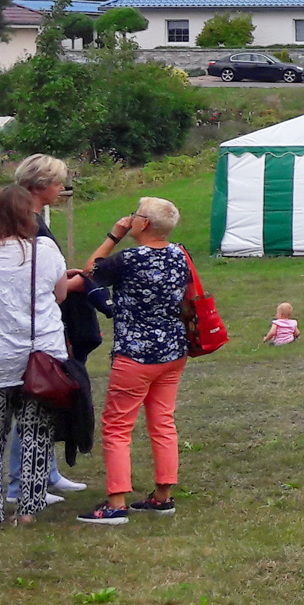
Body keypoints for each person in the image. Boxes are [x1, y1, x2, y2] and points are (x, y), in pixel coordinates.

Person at [0, 185, 78, 530]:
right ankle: (29, 509)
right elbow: (60, 294)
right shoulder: (45, 251)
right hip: (41, 358)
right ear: (28, 217)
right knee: (37, 432)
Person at [74, 196, 191, 526]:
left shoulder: (128, 260)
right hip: (173, 351)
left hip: (135, 355)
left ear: (143, 225)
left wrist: (113, 236)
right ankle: (162, 496)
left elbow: (90, 270)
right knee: (163, 422)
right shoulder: (180, 254)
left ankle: (116, 502)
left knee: (117, 427)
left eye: (135, 216)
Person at [7, 154, 87, 501]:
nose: (62, 188)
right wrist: (73, 284)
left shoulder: (34, 216)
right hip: (31, 324)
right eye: (58, 182)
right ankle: (17, 483)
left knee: (46, 396)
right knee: (33, 398)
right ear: (40, 186)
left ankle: (47, 472)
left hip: (41, 319)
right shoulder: (27, 222)